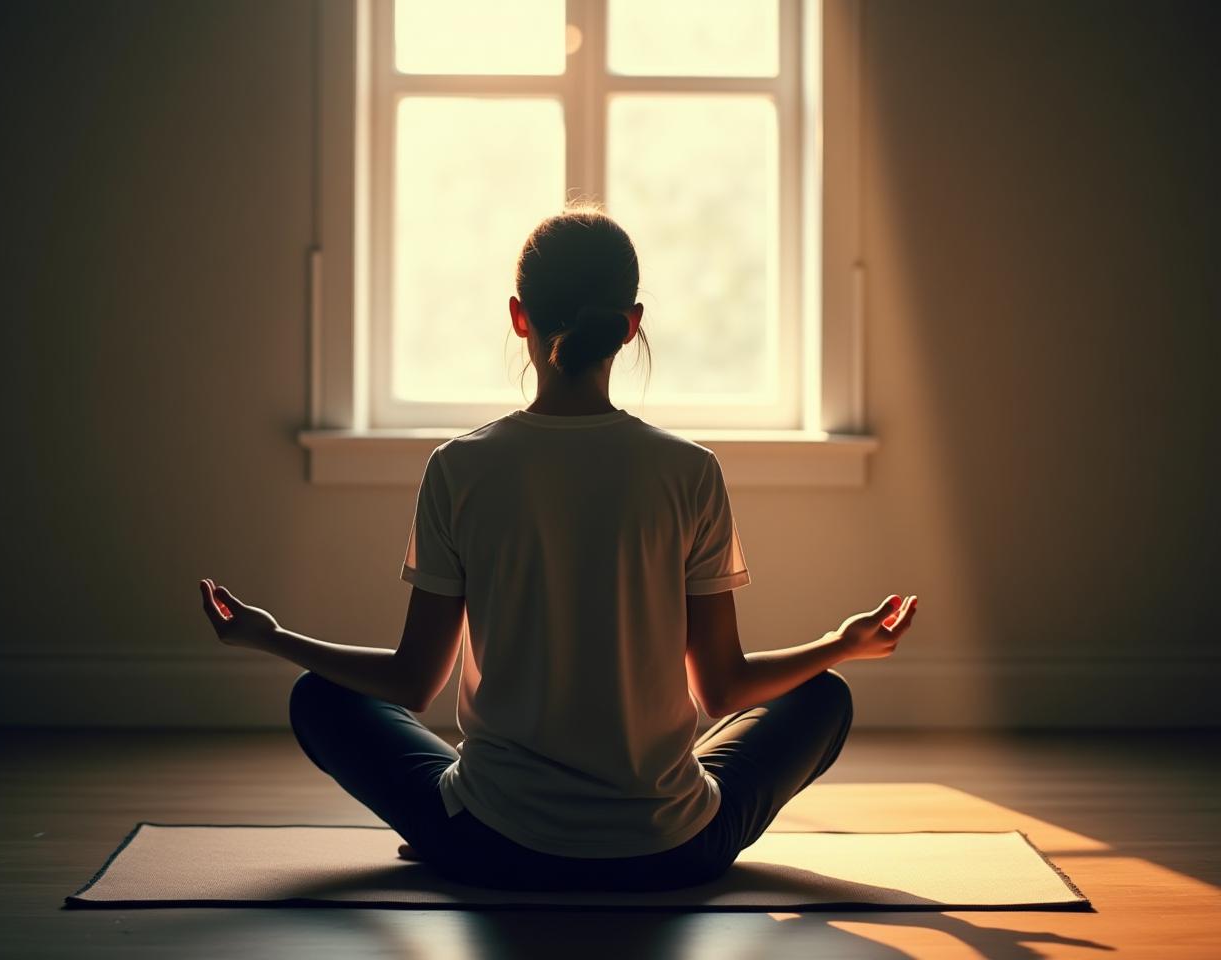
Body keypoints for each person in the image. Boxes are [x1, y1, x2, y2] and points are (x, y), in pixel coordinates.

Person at [198, 202, 918, 891]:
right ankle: (645, 798)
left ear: (520, 316)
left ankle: (458, 821)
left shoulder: (459, 468)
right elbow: (721, 690)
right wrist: (840, 643)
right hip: (671, 852)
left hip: (489, 845)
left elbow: (413, 681)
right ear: (631, 325)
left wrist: (272, 637)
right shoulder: (690, 471)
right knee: (824, 696)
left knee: (319, 698)